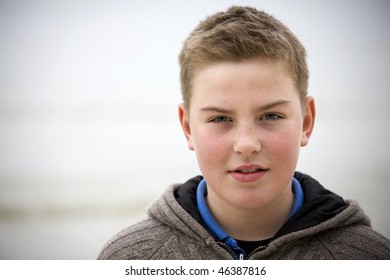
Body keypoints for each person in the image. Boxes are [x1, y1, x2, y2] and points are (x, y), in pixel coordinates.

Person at [98, 6, 390, 260]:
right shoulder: (130, 259)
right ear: (187, 127)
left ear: (306, 121)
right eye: (221, 118)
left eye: (271, 115)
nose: (246, 145)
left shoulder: (368, 259)